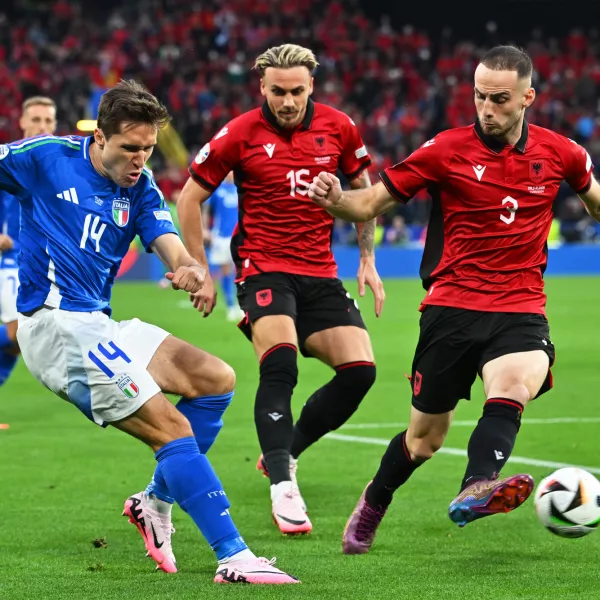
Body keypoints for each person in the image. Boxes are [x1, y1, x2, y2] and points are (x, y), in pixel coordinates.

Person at [0, 80, 298, 584]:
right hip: (54, 325)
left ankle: (153, 502)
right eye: (129, 148)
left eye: (147, 149)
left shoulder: (139, 189)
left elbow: (169, 244)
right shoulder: (45, 158)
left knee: (215, 378)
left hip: (97, 322)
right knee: (173, 430)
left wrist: (189, 268)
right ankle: (234, 557)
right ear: (100, 138)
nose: (140, 159)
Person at [307, 45, 598, 554]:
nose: (487, 108)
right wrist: (335, 200)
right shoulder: (444, 149)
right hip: (452, 308)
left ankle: (477, 486)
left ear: (528, 97)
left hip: (521, 305)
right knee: (424, 441)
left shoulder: (562, 153)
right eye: (480, 97)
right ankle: (375, 498)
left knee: (514, 386)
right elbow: (369, 202)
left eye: (500, 99)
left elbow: (595, 200)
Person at [177, 43, 385, 535]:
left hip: (319, 270)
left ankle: (284, 454)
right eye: (277, 92)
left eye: (296, 91)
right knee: (281, 362)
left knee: (360, 372)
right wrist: (200, 269)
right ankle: (283, 488)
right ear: (262, 87)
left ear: (311, 85)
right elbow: (189, 197)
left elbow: (366, 191)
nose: (287, 101)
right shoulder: (240, 132)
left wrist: (368, 258)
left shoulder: (339, 127)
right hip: (262, 267)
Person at [0, 96, 57, 396]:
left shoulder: (58, 171)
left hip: (40, 269)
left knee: (17, 344)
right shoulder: (7, 162)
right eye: (35, 120)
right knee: (18, 334)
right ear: (21, 123)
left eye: (48, 121)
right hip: (8, 262)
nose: (42, 127)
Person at [202, 172, 244, 321]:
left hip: (240, 236)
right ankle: (231, 306)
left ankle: (241, 305)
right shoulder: (217, 189)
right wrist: (205, 228)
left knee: (240, 271)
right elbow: (206, 210)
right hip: (221, 236)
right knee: (226, 270)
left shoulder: (240, 188)